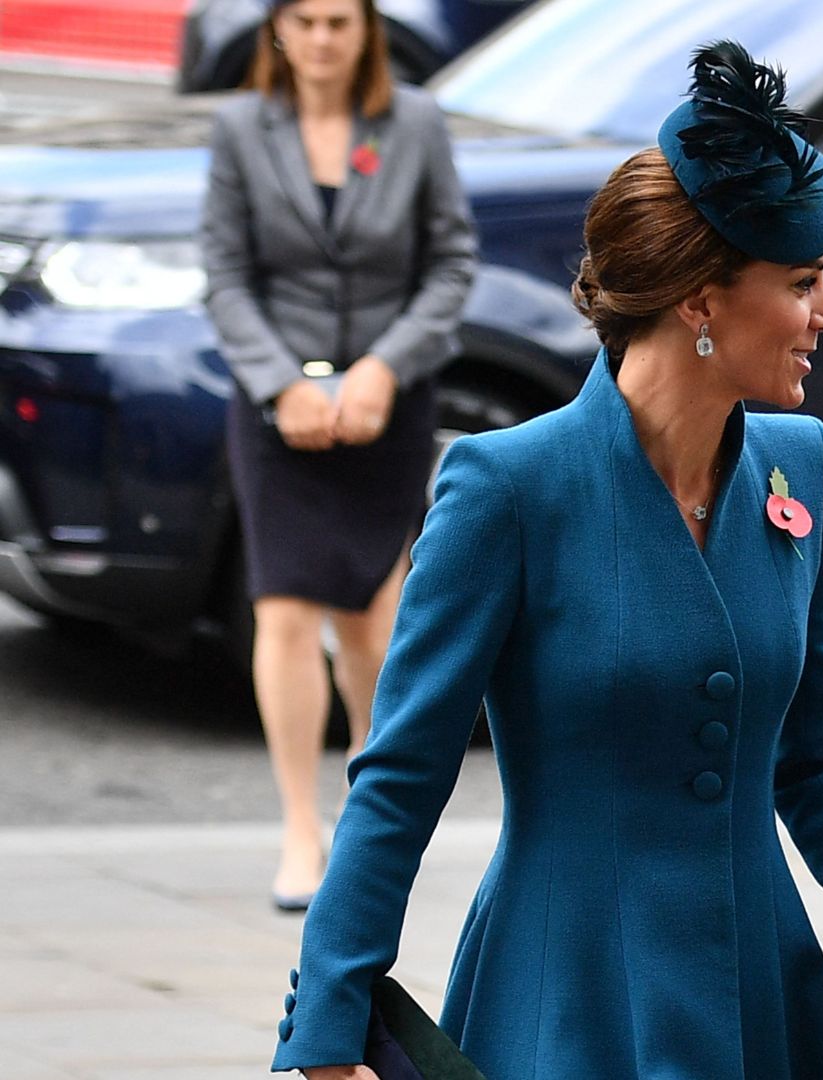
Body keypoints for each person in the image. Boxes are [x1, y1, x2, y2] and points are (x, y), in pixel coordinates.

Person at [269, 42, 823, 1079]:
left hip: (760, 987)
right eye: (803, 282)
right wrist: (325, 1033)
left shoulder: (801, 462)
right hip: (568, 994)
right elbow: (399, 779)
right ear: (700, 299)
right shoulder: (508, 487)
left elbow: (818, 756)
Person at [201, 0, 476, 912]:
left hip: (383, 403)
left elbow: (448, 267)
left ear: (366, 33)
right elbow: (227, 276)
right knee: (283, 610)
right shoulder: (242, 127)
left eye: (340, 22)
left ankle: (373, 811)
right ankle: (296, 826)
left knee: (370, 611)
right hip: (276, 404)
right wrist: (283, 384)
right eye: (307, 21)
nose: (323, 38)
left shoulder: (417, 123)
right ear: (278, 30)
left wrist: (382, 371)